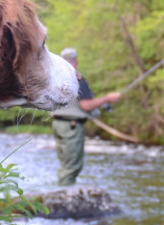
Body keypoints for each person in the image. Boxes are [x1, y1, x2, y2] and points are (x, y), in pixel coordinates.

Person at [52, 47, 121, 186]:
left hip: (58, 125)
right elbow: (86, 105)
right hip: (71, 126)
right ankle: (66, 199)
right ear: (76, 62)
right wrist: (108, 98)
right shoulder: (76, 77)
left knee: (65, 164)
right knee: (71, 167)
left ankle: (61, 194)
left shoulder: (55, 78)